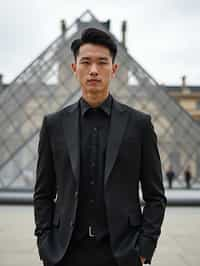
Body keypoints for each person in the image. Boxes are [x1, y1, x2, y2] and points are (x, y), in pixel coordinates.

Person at [33, 28, 167, 266]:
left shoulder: (140, 125)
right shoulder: (53, 125)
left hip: (122, 254)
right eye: (86, 62)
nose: (93, 70)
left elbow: (155, 196)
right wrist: (46, 245)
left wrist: (144, 248)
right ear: (74, 68)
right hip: (64, 254)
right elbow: (43, 193)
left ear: (114, 69)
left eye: (102, 62)